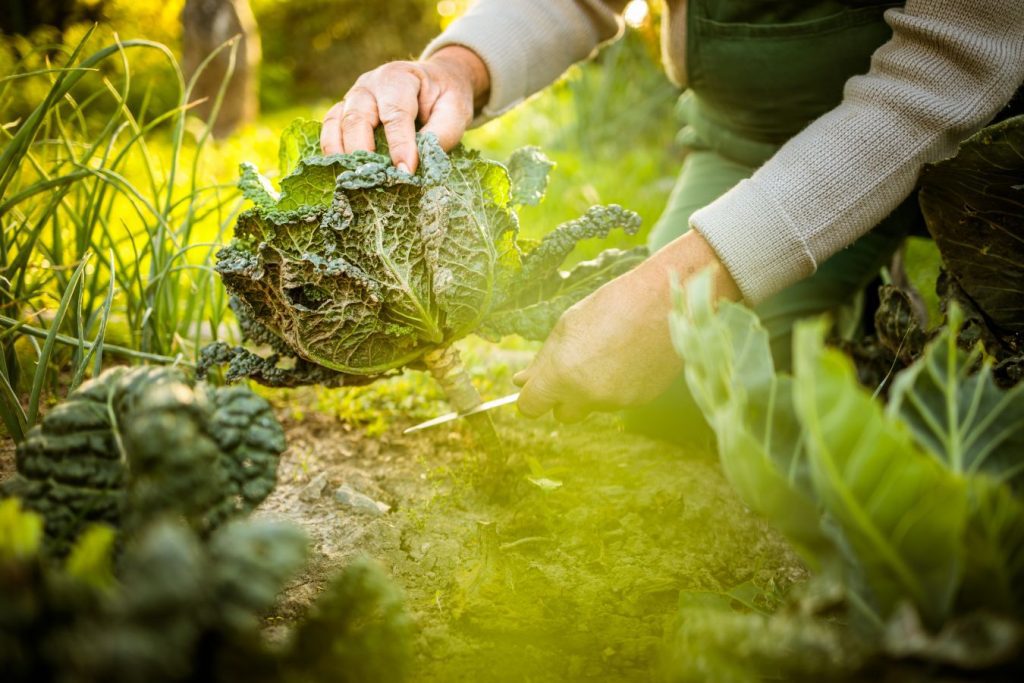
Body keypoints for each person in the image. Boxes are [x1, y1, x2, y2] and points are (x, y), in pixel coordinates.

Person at [321, 1, 1024, 432]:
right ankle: (855, 311)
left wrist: (685, 281)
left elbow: (958, 60)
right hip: (758, 137)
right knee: (680, 396)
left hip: (990, 140)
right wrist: (456, 66)